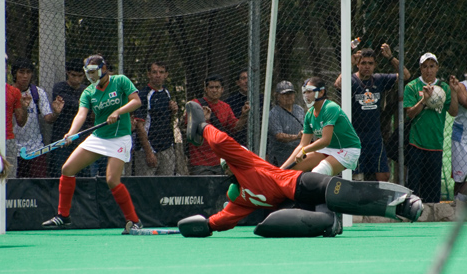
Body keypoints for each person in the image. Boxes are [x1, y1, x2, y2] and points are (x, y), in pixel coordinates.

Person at [177, 102, 423, 238]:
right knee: (336, 190)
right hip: (298, 185)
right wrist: (203, 128)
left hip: (295, 202)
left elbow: (222, 220)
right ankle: (401, 203)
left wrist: (206, 226)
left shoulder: (241, 200)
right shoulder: (245, 163)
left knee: (333, 195)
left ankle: (332, 220)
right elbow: (221, 143)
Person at [42, 55, 143, 234]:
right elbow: (81, 114)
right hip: (99, 137)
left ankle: (134, 221)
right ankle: (63, 216)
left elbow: (136, 101)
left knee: (112, 180)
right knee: (67, 169)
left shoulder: (120, 81)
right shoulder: (88, 92)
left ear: (103, 69)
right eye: (88, 72)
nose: (91, 76)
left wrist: (118, 111)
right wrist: (71, 133)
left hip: (120, 137)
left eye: (94, 72)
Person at [334, 44, 411, 181]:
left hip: (375, 136)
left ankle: (378, 200)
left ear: (375, 65)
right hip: (355, 136)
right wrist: (349, 64)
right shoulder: (351, 79)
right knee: (356, 176)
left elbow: (405, 75)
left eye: (370, 63)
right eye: (363, 63)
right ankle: (357, 201)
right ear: (358, 64)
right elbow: (338, 85)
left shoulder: (379, 79)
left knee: (384, 175)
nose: (367, 66)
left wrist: (390, 57)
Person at [404, 52, 459, 203]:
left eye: (432, 66)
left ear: (437, 68)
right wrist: (424, 100)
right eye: (425, 66)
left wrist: (454, 92)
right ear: (420, 69)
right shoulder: (412, 86)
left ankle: (431, 218)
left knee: (433, 192)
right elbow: (409, 114)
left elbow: (453, 112)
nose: (429, 70)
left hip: (436, 144)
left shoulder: (444, 88)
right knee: (414, 188)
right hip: (416, 143)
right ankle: (412, 214)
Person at [280, 77, 361, 177]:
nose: (306, 95)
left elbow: (325, 140)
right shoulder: (309, 114)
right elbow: (302, 145)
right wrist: (281, 170)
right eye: (304, 92)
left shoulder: (330, 108)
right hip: (327, 149)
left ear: (321, 92)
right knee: (290, 171)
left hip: (347, 149)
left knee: (317, 173)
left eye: (309, 91)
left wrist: (305, 151)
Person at [11, 58, 64, 178]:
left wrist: (56, 113)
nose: (25, 76)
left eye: (28, 72)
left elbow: (48, 118)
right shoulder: (8, 92)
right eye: (21, 72)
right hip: (13, 148)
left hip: (36, 148)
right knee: (15, 186)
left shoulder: (37, 93)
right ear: (15, 73)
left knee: (39, 184)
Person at [188, 74, 249, 175]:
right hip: (200, 161)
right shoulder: (195, 105)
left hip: (220, 159)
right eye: (211, 87)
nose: (214, 90)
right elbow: (189, 129)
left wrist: (243, 115)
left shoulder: (225, 107)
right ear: (206, 89)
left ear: (222, 89)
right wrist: (202, 120)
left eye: (217, 87)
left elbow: (235, 127)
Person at [0, 59, 30, 176]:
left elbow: (21, 122)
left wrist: (24, 107)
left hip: (8, 139)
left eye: (4, 67)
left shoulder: (14, 92)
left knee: (10, 176)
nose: (1, 70)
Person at [133, 61, 178, 176]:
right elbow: (139, 125)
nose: (158, 75)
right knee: (146, 188)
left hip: (166, 148)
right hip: (147, 149)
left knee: (165, 186)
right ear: (149, 74)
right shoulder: (143, 95)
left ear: (166, 75)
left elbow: (166, 119)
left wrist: (173, 111)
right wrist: (149, 152)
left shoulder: (166, 92)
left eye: (161, 72)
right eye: (154, 72)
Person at [49, 59, 92, 177]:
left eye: (80, 76)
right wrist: (82, 104)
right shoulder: (59, 87)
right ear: (68, 73)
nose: (77, 79)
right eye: (73, 75)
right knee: (60, 172)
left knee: (84, 174)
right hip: (61, 137)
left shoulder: (86, 90)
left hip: (81, 138)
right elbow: (72, 104)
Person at [267, 80, 304, 167]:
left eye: (291, 93)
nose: (288, 96)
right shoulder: (274, 113)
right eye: (285, 94)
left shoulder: (299, 110)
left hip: (299, 154)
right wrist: (297, 137)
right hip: (281, 157)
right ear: (277, 96)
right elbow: (279, 136)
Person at [224, 69, 263, 146]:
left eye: (249, 78)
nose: (247, 81)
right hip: (237, 143)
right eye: (243, 78)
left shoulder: (262, 99)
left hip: (260, 143)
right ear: (238, 82)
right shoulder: (230, 102)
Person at [452, 75, 467, 203]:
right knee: (460, 179)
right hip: (461, 138)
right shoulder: (462, 86)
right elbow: (465, 102)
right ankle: (456, 203)